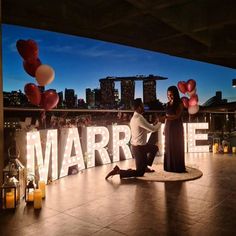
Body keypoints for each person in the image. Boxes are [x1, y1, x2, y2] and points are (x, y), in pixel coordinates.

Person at [105, 98, 162, 179]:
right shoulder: (139, 118)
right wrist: (160, 122)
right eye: (142, 105)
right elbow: (153, 129)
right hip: (139, 148)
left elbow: (146, 131)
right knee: (139, 173)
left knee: (154, 148)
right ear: (139, 107)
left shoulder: (136, 117)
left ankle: (144, 166)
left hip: (140, 146)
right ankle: (118, 171)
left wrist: (154, 124)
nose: (144, 107)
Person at [164, 86, 186, 172]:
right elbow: (166, 118)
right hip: (169, 127)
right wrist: (164, 128)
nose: (169, 96)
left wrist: (166, 117)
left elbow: (177, 116)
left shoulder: (180, 103)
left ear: (175, 94)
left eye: (171, 94)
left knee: (176, 146)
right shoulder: (167, 104)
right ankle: (169, 167)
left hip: (177, 128)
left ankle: (177, 167)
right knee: (168, 146)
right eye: (168, 94)